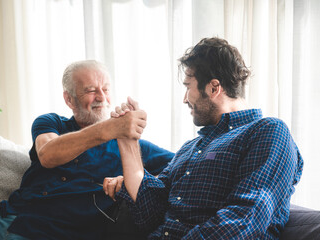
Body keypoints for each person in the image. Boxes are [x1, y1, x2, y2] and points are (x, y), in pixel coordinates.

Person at [105, 37, 304, 239]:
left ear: (213, 88)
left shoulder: (268, 131)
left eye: (188, 86)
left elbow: (245, 220)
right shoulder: (190, 148)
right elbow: (149, 215)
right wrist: (128, 140)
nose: (184, 99)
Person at [0, 60, 174, 240]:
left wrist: (134, 180)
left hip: (58, 233)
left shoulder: (130, 148)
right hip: (7, 220)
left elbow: (178, 168)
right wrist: (108, 128)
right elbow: (47, 155)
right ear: (69, 99)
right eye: (90, 90)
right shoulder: (50, 123)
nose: (101, 97)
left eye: (106, 89)